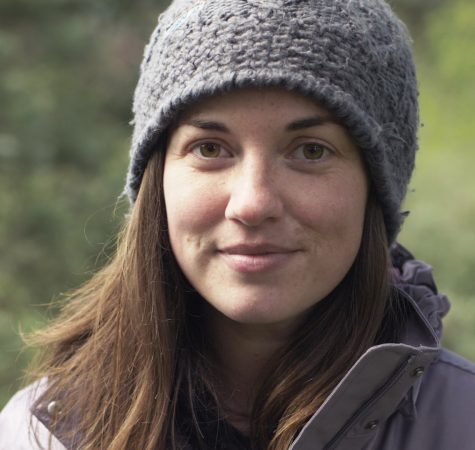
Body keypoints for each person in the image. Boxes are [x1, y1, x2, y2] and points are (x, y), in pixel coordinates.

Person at [1, 0, 475, 449]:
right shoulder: (42, 434)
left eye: (311, 150)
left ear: (376, 189)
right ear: (156, 180)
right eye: (210, 148)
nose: (252, 204)